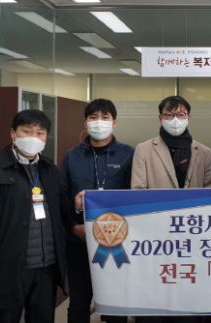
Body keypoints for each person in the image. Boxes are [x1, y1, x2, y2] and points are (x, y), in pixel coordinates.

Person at [0, 109, 66, 323]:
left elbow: (59, 211)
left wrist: (77, 205)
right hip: (8, 268)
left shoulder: (49, 168)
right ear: (13, 133)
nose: (33, 137)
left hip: (46, 268)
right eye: (26, 131)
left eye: (40, 133)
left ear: (46, 137)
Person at [59, 99, 134, 323]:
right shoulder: (72, 156)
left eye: (104, 117)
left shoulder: (129, 154)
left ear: (114, 122)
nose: (98, 122)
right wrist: (74, 226)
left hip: (117, 241)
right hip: (78, 240)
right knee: (79, 300)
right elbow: (61, 197)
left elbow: (136, 196)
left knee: (115, 301)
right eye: (93, 117)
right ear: (85, 122)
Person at [131, 95, 211, 189]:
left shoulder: (204, 152)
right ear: (160, 118)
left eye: (181, 115)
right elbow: (138, 189)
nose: (175, 120)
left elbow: (210, 188)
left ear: (188, 118)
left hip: (195, 199)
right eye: (169, 115)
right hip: (157, 199)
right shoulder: (143, 150)